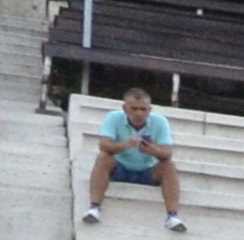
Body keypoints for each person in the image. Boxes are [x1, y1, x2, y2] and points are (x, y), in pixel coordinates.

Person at [81, 88, 190, 231]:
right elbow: (104, 145)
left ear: (149, 110)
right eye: (134, 108)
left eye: (143, 109)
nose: (139, 113)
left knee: (168, 165)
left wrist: (153, 150)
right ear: (125, 109)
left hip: (148, 170)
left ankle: (173, 215)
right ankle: (94, 207)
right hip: (120, 167)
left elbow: (167, 153)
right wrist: (124, 145)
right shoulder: (113, 118)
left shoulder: (160, 122)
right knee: (103, 158)